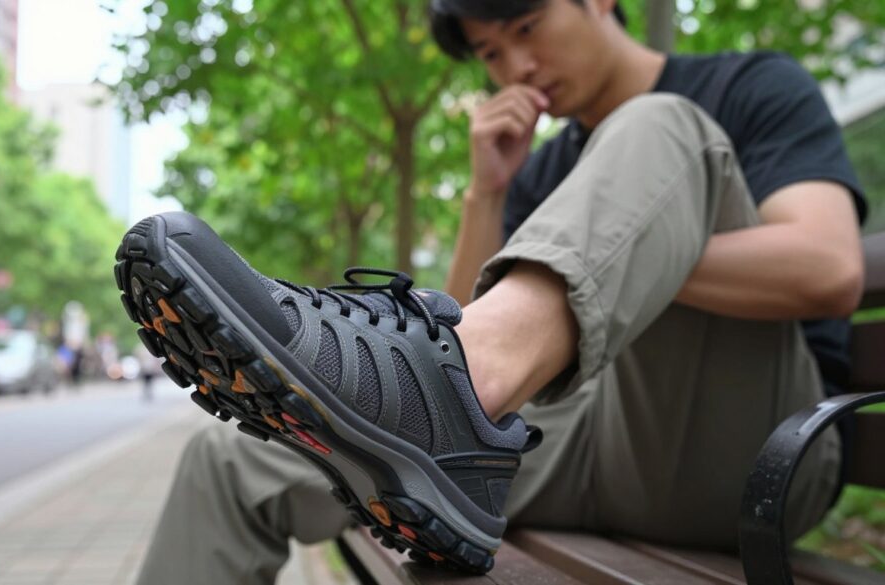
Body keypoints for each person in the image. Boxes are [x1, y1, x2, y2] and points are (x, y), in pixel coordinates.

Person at [118, 0, 867, 582]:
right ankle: (454, 405)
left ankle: (456, 399)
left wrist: (632, 248)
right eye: (489, 53)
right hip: (575, 439)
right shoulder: (542, 171)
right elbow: (467, 322)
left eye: (527, 26)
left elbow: (827, 268)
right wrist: (488, 194)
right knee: (229, 464)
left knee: (658, 123)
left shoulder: (748, 87)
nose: (516, 66)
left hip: (746, 447)